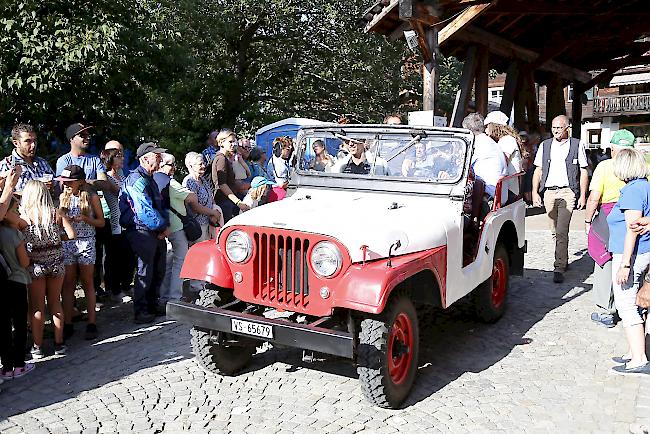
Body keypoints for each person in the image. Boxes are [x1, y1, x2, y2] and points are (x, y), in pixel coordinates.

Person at [584, 130, 637, 327]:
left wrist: (588, 221)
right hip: (635, 214)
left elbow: (594, 197)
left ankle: (606, 310)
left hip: (609, 216)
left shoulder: (605, 166)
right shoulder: (642, 166)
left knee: (604, 259)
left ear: (613, 149)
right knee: (630, 258)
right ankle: (630, 307)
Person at [606, 148, 650, 375]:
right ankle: (634, 351)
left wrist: (625, 264)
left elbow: (632, 229)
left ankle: (639, 358)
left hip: (633, 254)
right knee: (632, 304)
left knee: (626, 304)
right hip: (642, 252)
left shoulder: (633, 190)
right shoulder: (644, 185)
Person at [20, 180, 75, 359]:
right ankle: (59, 344)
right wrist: (57, 240)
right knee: (55, 303)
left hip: (35, 265)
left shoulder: (25, 217)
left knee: (37, 307)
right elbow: (72, 234)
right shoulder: (55, 213)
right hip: (57, 264)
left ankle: (37, 346)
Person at [532, 115, 588, 283]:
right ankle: (564, 258)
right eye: (554, 127)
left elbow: (584, 171)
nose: (556, 130)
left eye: (559, 127)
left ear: (567, 128)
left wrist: (583, 195)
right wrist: (535, 192)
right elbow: (538, 170)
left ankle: (559, 267)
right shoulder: (545, 145)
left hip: (567, 192)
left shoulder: (577, 145)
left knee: (562, 230)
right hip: (549, 192)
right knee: (555, 231)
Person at [119, 142, 170, 324]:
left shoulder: (150, 178)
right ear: (145, 159)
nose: (160, 159)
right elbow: (144, 210)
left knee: (158, 269)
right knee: (145, 271)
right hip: (141, 231)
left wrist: (164, 225)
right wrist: (162, 227)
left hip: (154, 231)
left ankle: (152, 305)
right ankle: (141, 311)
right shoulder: (136, 180)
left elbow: (160, 205)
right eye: (157, 156)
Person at [58, 165, 105, 340]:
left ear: (80, 181)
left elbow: (101, 223)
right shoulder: (63, 196)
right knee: (68, 283)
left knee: (87, 282)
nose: (66, 185)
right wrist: (63, 219)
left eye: (70, 182)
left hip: (86, 242)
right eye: (65, 182)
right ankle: (68, 322)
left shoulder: (92, 197)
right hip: (68, 243)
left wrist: (85, 218)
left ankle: (92, 322)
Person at [0, 196, 34, 378]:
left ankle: (6, 367)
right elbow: (24, 261)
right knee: (20, 323)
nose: (19, 214)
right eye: (16, 211)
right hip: (18, 281)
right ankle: (20, 364)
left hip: (2, 282)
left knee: (4, 325)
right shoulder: (14, 235)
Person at [100, 148, 135, 302]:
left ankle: (126, 285)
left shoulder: (122, 175)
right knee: (114, 257)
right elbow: (121, 193)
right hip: (115, 220)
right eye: (118, 157)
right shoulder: (107, 177)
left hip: (126, 219)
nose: (122, 159)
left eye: (122, 156)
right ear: (110, 160)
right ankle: (114, 289)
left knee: (128, 255)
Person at [462, 113, 508, 204]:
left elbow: (463, 165)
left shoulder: (477, 144)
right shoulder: (487, 141)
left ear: (468, 131)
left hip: (488, 193)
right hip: (499, 191)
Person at [0, 123, 55, 193]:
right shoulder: (6, 165)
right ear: (16, 143)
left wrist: (52, 186)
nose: (33, 145)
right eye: (28, 141)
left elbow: (56, 188)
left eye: (35, 140)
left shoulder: (42, 163)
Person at [484, 111, 526, 197]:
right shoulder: (504, 140)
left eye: (487, 126)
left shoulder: (507, 140)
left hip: (508, 188)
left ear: (494, 126)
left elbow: (501, 163)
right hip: (506, 185)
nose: (485, 130)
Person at [183, 152, 222, 241]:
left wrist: (214, 213)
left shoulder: (202, 179)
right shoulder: (189, 182)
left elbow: (211, 198)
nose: (204, 166)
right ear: (191, 166)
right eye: (200, 164)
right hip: (198, 225)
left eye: (203, 163)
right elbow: (195, 207)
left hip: (209, 222)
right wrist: (213, 212)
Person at [213, 131, 250, 222]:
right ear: (221, 143)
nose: (234, 144)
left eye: (234, 142)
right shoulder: (221, 159)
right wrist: (238, 202)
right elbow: (222, 184)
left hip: (227, 201)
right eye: (230, 142)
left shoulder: (224, 158)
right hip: (223, 201)